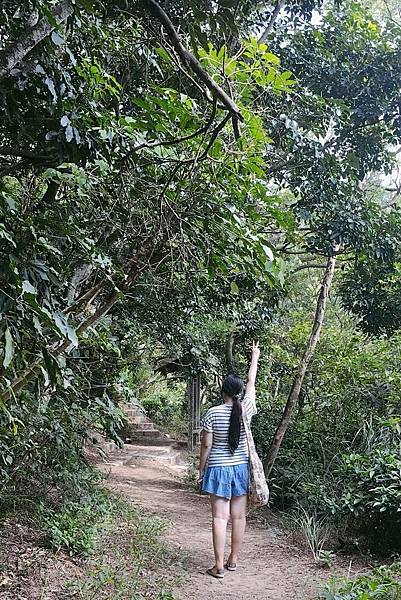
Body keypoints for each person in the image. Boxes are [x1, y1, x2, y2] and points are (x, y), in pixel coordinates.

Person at [198, 340, 260, 579]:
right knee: (238, 516)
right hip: (240, 469)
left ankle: (218, 566)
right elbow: (252, 382)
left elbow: (206, 444)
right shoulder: (247, 408)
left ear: (222, 391)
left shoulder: (212, 413)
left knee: (219, 517)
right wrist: (254, 357)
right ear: (240, 392)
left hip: (218, 469)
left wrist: (201, 469)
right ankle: (233, 560)